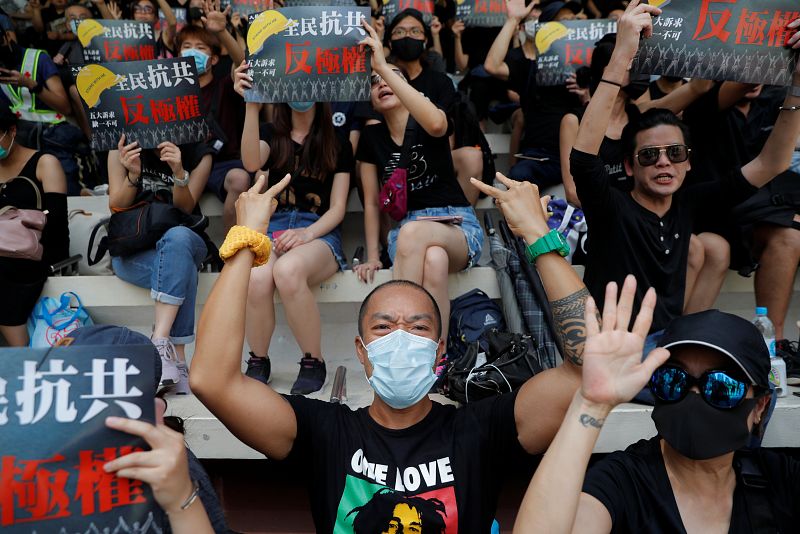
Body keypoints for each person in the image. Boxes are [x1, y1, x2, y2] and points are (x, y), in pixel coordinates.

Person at [190, 167, 589, 531]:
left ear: (438, 352)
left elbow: (586, 368)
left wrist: (539, 236)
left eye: (417, 327)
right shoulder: (326, 433)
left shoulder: (479, 432)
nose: (401, 336)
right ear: (361, 352)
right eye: (383, 327)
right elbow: (212, 379)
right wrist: (245, 243)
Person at [570, 0, 800, 333]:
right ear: (629, 167)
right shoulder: (609, 206)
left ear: (688, 162)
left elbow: (771, 162)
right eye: (650, 155)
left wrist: (797, 82)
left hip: (666, 352)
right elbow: (583, 158)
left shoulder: (689, 203)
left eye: (675, 153)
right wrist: (621, 55)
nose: (664, 161)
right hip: (612, 352)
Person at [511, 301, 799, 532]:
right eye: (673, 379)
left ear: (759, 406)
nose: (694, 395)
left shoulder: (782, 480)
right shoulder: (623, 482)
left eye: (722, 386)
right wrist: (590, 404)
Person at [355, 21, 482, 347]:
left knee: (419, 237)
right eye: (374, 81)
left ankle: (398, 344)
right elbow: (371, 201)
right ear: (369, 100)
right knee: (434, 262)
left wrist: (381, 63)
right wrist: (372, 254)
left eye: (391, 78)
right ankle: (437, 354)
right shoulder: (370, 137)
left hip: (456, 224)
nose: (382, 82)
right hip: (410, 233)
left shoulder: (428, 118)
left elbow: (439, 123)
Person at [234, 63, 352, 395]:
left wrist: (306, 235)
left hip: (318, 232)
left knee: (287, 272)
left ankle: (313, 360)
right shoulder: (273, 134)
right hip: (272, 228)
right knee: (257, 277)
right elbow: (251, 163)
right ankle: (258, 360)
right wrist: (251, 106)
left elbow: (338, 208)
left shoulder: (337, 141)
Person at [107, 135, 212, 393]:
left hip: (184, 238)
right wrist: (133, 173)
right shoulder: (121, 145)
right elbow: (116, 205)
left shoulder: (198, 151)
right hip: (135, 252)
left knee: (177, 239)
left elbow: (185, 208)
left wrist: (178, 171)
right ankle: (180, 361)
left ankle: (159, 341)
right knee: (182, 267)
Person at [484, 0, 586, 188]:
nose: (571, 26)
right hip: (543, 157)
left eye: (574, 20)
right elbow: (492, 66)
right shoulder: (529, 66)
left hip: (583, 155)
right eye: (564, 21)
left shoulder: (586, 64)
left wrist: (586, 95)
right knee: (519, 176)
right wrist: (513, 20)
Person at [0, 108, 68, 347]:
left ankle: (22, 355)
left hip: (35, 255)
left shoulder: (44, 163)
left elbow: (57, 223)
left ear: (12, 131)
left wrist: (52, 263)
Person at [176, 5, 248, 231]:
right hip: (186, 165)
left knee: (240, 178)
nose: (191, 52)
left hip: (223, 164)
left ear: (214, 59)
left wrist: (221, 32)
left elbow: (241, 63)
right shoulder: (170, 92)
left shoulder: (226, 86)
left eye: (200, 48)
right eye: (186, 47)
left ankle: (231, 251)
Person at [0, 26, 79, 194]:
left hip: (53, 132)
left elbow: (65, 106)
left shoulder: (37, 58)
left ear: (7, 36)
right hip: (19, 136)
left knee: (65, 190)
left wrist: (31, 85)